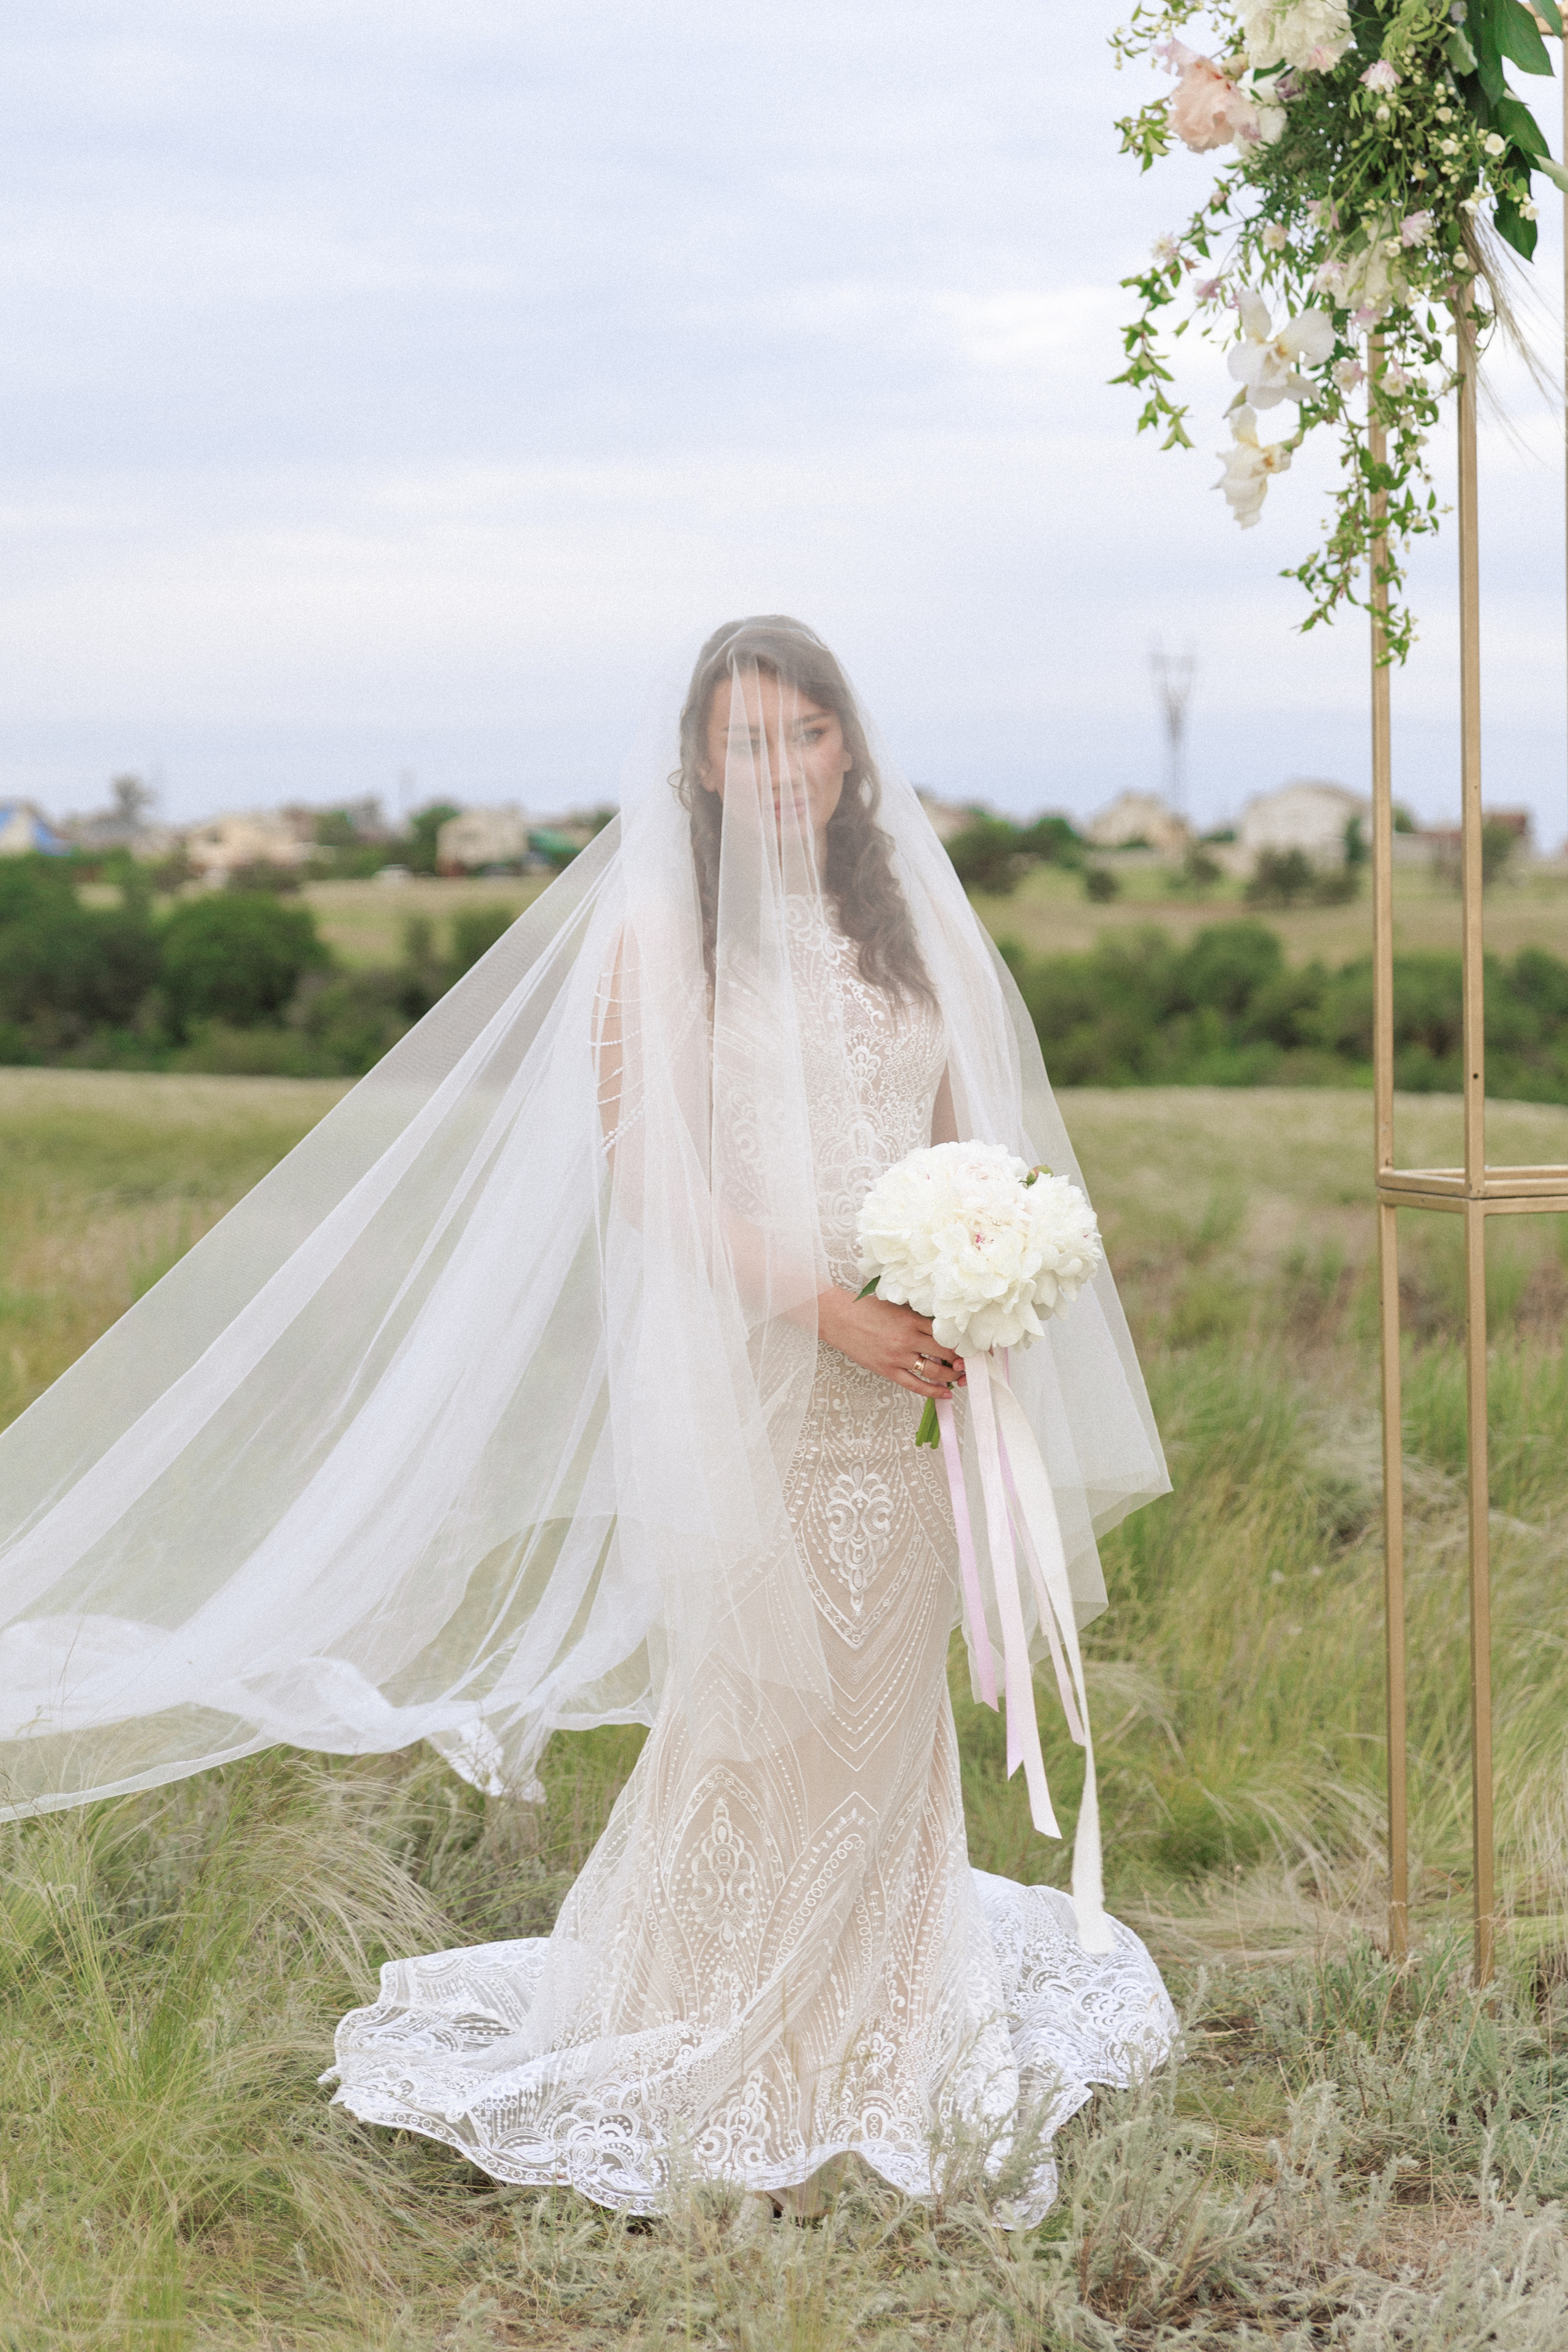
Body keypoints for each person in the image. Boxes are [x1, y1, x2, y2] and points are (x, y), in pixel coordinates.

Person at [0, 617, 1173, 2225]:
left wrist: (987, 1276)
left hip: (915, 1375)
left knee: (884, 1700)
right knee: (761, 1697)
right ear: (699, 761)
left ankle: (887, 2001)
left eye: (804, 735)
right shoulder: (662, 931)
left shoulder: (907, 930)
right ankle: (711, 2000)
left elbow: (975, 1132)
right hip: (771, 1364)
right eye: (744, 741)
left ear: (848, 750)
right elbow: (655, 1175)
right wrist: (829, 1311)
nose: (777, 769)